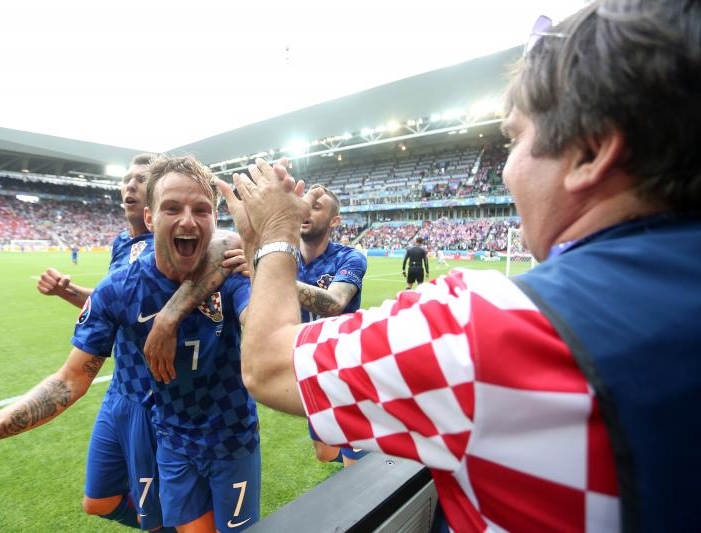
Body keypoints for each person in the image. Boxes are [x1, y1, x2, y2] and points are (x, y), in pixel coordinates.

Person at [219, 1, 701, 530]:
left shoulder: (483, 328)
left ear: (591, 151)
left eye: (515, 139)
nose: (508, 173)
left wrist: (273, 237)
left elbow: (267, 365)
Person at [35, 153, 245, 530]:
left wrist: (168, 318)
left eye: (141, 178)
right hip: (121, 389)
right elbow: (111, 304)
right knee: (99, 502)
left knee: (167, 506)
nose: (132, 184)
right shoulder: (121, 247)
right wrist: (69, 294)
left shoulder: (183, 247)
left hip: (158, 391)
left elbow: (223, 247)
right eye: (127, 178)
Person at [295, 184, 368, 466]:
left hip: (345, 373)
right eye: (303, 204)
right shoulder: (285, 258)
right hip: (309, 372)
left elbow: (335, 301)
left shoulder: (348, 258)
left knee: (357, 474)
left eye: (316, 206)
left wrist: (270, 276)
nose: (306, 210)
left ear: (334, 221)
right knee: (324, 454)